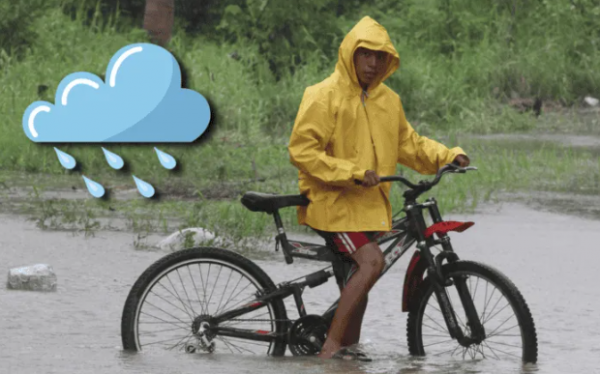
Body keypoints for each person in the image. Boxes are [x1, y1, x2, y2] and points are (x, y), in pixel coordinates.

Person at [287, 16, 470, 360]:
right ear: (350, 55)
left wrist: (449, 156)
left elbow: (410, 145)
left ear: (389, 60)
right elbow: (302, 151)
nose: (372, 63)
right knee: (372, 262)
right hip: (333, 204)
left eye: (380, 56)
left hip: (367, 206)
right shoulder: (323, 95)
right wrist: (352, 173)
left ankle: (347, 352)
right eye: (365, 54)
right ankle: (329, 351)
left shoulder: (388, 101)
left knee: (360, 282)